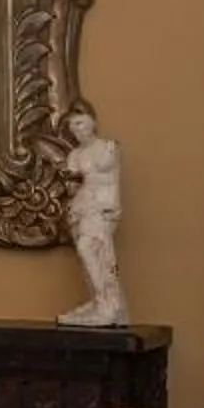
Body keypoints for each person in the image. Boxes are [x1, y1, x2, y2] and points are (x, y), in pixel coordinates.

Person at [58, 106, 127, 327]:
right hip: (83, 204)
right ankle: (102, 302)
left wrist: (113, 205)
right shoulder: (75, 155)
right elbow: (72, 184)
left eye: (80, 123)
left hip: (104, 205)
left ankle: (105, 303)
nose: (75, 129)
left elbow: (112, 178)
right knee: (90, 253)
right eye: (71, 125)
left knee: (91, 249)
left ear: (92, 123)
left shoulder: (109, 147)